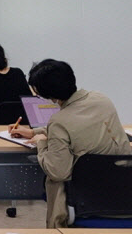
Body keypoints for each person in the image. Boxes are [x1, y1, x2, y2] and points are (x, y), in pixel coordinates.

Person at [9, 59, 131, 228]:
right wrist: (34, 132)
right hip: (123, 194)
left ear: (48, 95)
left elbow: (58, 172)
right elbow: (80, 128)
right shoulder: (102, 100)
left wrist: (41, 143)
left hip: (86, 201)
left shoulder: (59, 121)